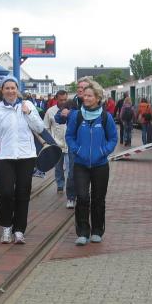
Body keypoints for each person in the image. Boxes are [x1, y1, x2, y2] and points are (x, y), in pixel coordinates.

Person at [0, 76, 45, 245]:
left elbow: (40, 128)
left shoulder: (28, 105)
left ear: (17, 90)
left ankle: (19, 230)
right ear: (2, 91)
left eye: (13, 88)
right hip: (6, 157)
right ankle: (6, 227)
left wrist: (29, 113)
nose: (10, 91)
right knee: (6, 192)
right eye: (7, 88)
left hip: (26, 156)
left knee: (23, 193)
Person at [65, 80, 118, 246]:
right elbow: (69, 136)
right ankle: (82, 232)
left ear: (98, 98)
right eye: (85, 95)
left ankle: (97, 231)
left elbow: (113, 138)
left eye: (89, 96)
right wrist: (77, 150)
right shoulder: (76, 115)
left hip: (100, 165)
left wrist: (103, 151)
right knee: (82, 197)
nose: (85, 98)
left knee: (98, 199)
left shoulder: (106, 117)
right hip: (80, 164)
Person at [55, 77, 89, 209]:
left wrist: (71, 113)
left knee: (89, 172)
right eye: (79, 87)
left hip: (90, 143)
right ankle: (71, 197)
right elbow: (58, 118)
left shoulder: (93, 102)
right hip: (74, 144)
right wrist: (62, 114)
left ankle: (85, 197)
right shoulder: (71, 102)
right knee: (72, 171)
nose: (80, 90)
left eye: (83, 88)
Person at [44, 89, 69, 194]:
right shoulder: (50, 111)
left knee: (70, 168)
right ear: (56, 99)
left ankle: (70, 186)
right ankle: (60, 185)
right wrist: (51, 140)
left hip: (69, 145)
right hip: (56, 144)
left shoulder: (71, 110)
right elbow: (46, 127)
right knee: (58, 167)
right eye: (61, 100)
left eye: (65, 100)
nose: (63, 102)